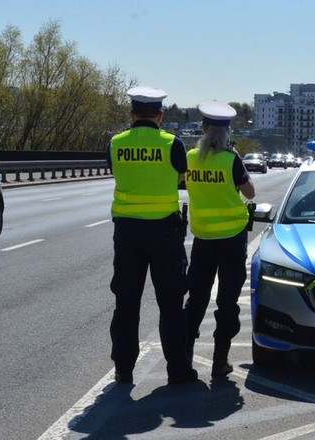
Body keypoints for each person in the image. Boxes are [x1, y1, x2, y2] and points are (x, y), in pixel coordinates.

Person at [107, 86, 197, 385]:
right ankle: (178, 370)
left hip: (127, 232)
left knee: (126, 304)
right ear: (160, 115)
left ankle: (123, 369)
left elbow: (114, 171)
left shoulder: (116, 143)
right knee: (170, 304)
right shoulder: (173, 143)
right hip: (164, 233)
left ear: (132, 114)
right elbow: (181, 179)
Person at [183, 101, 256, 377]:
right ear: (227, 132)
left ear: (202, 129)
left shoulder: (190, 158)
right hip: (232, 241)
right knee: (227, 301)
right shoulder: (231, 159)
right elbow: (249, 193)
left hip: (202, 238)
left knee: (196, 299)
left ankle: (184, 358)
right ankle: (219, 362)